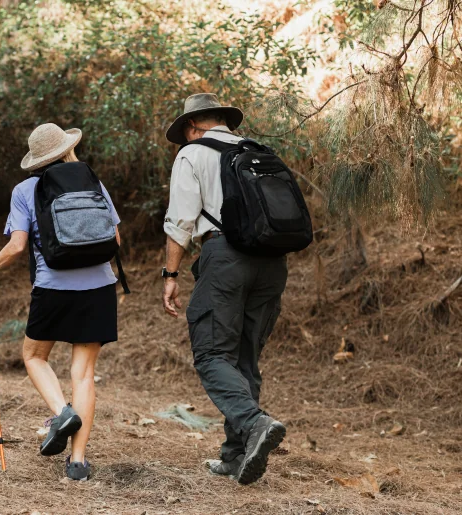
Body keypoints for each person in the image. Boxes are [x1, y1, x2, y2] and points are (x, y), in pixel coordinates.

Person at [0, 123, 123, 481]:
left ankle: (61, 412)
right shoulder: (93, 181)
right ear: (67, 150)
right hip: (99, 288)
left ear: (36, 160)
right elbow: (115, 237)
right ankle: (78, 462)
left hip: (54, 289)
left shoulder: (25, 190)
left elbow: (19, 245)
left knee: (34, 356)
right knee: (83, 374)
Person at [160, 93, 288, 485]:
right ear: (224, 121)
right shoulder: (258, 152)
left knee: (213, 353)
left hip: (225, 257)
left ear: (190, 126)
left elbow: (180, 221)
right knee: (245, 358)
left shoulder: (192, 154)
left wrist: (170, 275)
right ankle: (236, 454)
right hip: (272, 261)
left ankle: (254, 423)